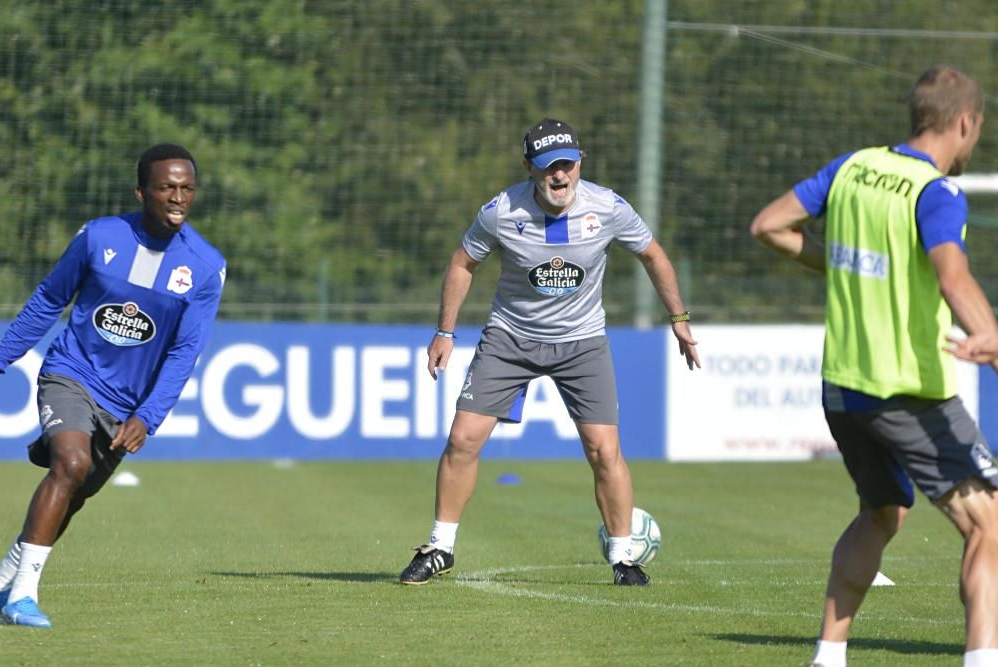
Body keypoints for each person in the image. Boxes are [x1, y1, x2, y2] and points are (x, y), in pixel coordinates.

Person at [750, 66, 998, 667]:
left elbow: (770, 226)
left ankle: (828, 657)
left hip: (843, 388)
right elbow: (952, 274)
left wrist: (839, 263)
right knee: (989, 524)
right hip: (908, 391)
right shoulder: (935, 192)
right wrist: (989, 332)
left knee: (883, 513)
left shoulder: (852, 167)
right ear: (965, 122)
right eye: (978, 130)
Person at [399, 118, 699, 587]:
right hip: (510, 338)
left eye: (567, 165)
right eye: (547, 168)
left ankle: (623, 558)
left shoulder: (610, 207)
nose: (559, 176)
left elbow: (652, 255)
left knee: (604, 450)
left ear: (580, 163)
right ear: (529, 169)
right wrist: (445, 332)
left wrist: (679, 320)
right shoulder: (501, 211)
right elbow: (463, 262)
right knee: (462, 439)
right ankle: (439, 547)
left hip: (582, 342)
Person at [0, 144, 226, 627]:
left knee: (73, 493)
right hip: (71, 373)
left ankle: (4, 582)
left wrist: (148, 416)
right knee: (72, 463)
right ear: (142, 191)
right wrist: (1, 358)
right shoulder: (99, 237)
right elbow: (48, 300)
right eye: (167, 187)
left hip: (125, 406)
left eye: (187, 188)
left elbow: (185, 352)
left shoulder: (205, 267)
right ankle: (23, 597)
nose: (178, 197)